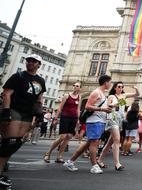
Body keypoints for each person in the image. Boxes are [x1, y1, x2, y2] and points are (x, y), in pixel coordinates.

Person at [0, 54, 46, 187]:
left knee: (16, 144)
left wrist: (39, 114)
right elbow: (7, 93)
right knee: (9, 142)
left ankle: (1, 171)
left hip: (27, 114)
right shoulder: (18, 76)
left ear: (38, 64)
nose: (30, 63)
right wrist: (6, 111)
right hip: (14, 110)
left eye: (34, 61)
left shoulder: (41, 81)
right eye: (28, 60)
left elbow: (39, 99)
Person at [63, 75, 112, 174]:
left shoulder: (102, 93)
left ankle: (70, 161)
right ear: (106, 82)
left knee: (88, 143)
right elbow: (87, 106)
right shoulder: (96, 92)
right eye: (110, 82)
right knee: (94, 143)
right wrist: (102, 109)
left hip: (99, 121)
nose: (110, 84)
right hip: (94, 121)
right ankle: (94, 166)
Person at [98, 82, 139, 170]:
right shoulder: (111, 96)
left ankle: (100, 160)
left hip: (120, 120)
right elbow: (108, 106)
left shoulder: (124, 95)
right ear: (115, 88)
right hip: (112, 118)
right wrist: (115, 104)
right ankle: (117, 164)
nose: (121, 88)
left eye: (122, 87)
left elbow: (137, 94)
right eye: (119, 86)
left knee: (110, 143)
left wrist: (136, 88)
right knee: (117, 140)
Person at [44, 82, 82, 164]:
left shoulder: (79, 97)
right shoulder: (66, 95)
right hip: (65, 117)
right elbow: (60, 107)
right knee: (62, 136)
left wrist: (78, 120)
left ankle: (59, 156)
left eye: (77, 86)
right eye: (74, 85)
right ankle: (48, 153)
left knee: (68, 137)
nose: (75, 87)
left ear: (79, 88)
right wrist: (55, 118)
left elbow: (78, 109)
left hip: (74, 118)